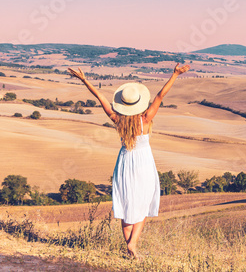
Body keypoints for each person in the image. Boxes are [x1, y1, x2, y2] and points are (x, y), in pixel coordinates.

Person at [67, 63, 189, 259]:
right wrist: (175, 74)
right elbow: (160, 96)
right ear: (139, 102)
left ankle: (130, 250)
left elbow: (100, 97)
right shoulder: (146, 119)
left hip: (124, 163)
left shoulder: (117, 119)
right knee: (144, 202)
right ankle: (132, 244)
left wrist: (84, 80)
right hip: (144, 163)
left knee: (126, 206)